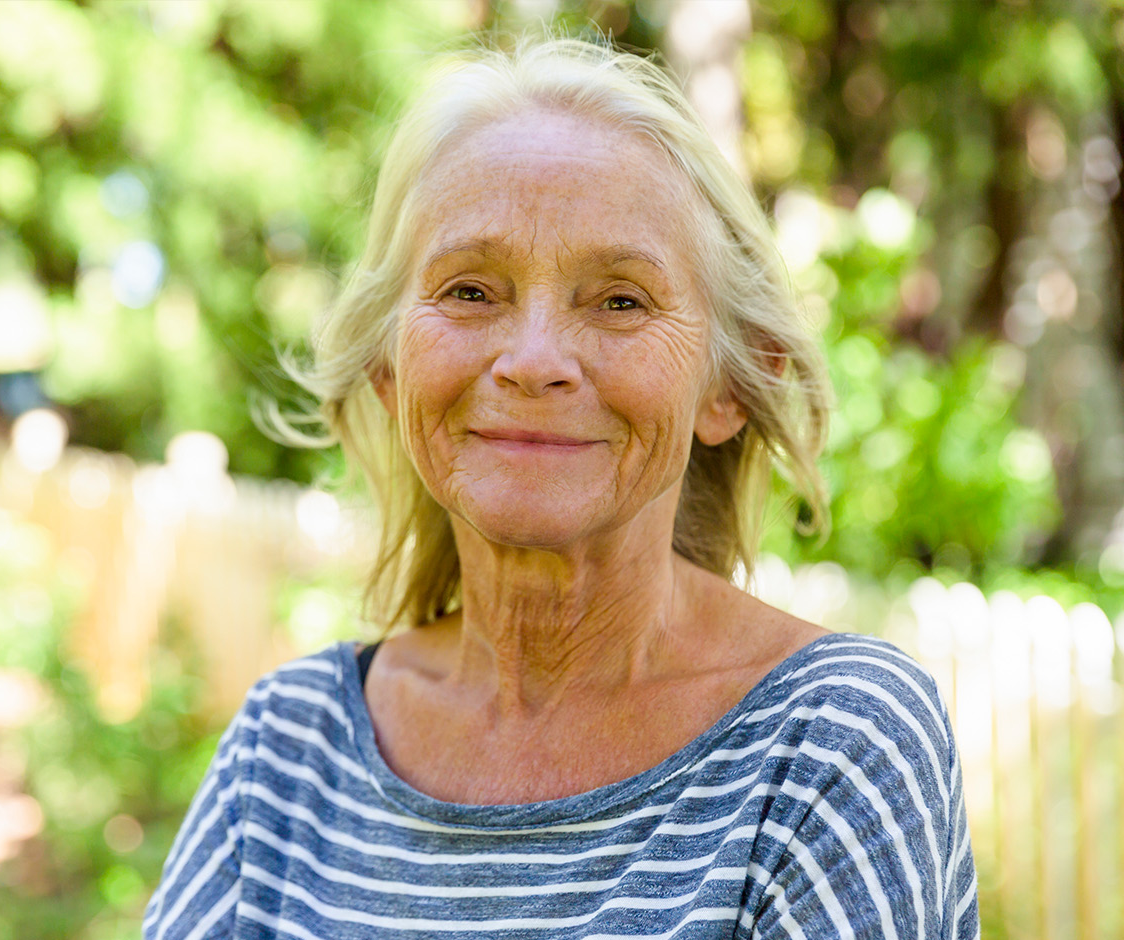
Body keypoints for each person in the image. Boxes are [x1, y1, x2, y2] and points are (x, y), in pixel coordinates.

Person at [144, 38, 979, 940]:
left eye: (620, 301)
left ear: (731, 385)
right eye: (469, 291)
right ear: (390, 370)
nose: (534, 361)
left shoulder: (831, 744)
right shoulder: (288, 751)